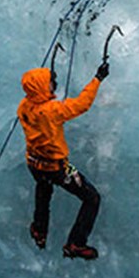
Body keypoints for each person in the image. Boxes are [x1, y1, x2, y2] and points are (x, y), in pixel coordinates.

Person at [17, 62, 109, 260]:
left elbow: (39, 101)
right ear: (42, 87)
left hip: (34, 164)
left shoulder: (23, 106)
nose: (54, 85)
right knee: (92, 198)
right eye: (50, 83)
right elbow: (82, 104)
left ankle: (39, 230)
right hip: (55, 167)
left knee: (43, 190)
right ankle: (76, 243)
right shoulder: (52, 111)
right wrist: (97, 79)